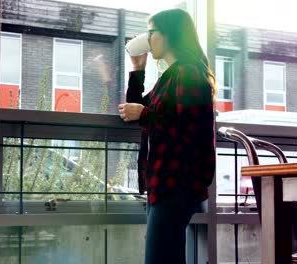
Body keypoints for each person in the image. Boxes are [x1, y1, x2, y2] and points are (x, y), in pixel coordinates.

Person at [118, 8, 216, 264]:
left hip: (178, 183)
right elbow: (133, 111)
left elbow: (187, 130)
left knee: (160, 258)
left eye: (152, 32)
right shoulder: (171, 77)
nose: (148, 39)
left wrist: (144, 115)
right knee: (166, 256)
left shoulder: (189, 73)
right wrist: (137, 70)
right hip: (165, 182)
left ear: (170, 34)